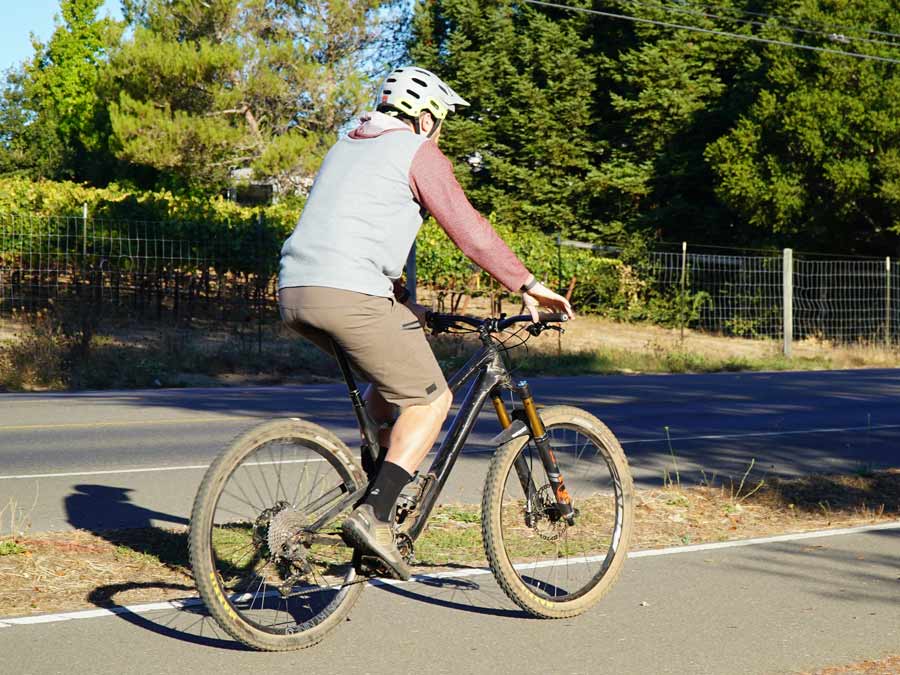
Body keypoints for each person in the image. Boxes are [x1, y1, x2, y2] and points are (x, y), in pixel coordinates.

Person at [278, 66, 574, 580]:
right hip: (350, 295)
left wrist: (401, 301)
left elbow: (351, 231)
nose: (440, 135)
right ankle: (373, 515)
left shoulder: (346, 145)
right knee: (429, 399)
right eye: (439, 125)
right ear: (423, 117)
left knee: (387, 388)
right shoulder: (418, 151)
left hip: (295, 292)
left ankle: (376, 491)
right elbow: (471, 232)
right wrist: (527, 285)